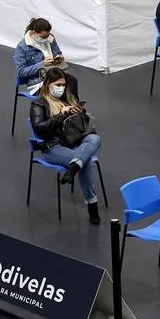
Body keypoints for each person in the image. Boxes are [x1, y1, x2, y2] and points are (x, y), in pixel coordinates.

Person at [29, 69, 102, 225]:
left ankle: (74, 165)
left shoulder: (67, 99)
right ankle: (92, 205)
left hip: (73, 142)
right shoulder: (38, 103)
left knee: (95, 138)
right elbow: (39, 128)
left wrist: (78, 112)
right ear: (48, 84)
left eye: (63, 84)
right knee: (86, 161)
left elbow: (73, 80)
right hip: (53, 147)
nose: (61, 87)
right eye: (57, 84)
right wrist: (61, 115)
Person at [14, 17, 79, 98]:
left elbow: (58, 52)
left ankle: (75, 108)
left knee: (72, 81)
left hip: (55, 74)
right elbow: (21, 72)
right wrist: (42, 64)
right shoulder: (22, 47)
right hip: (39, 82)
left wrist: (58, 57)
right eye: (43, 37)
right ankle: (60, 109)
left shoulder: (50, 38)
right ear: (34, 32)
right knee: (59, 92)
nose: (46, 39)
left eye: (47, 36)